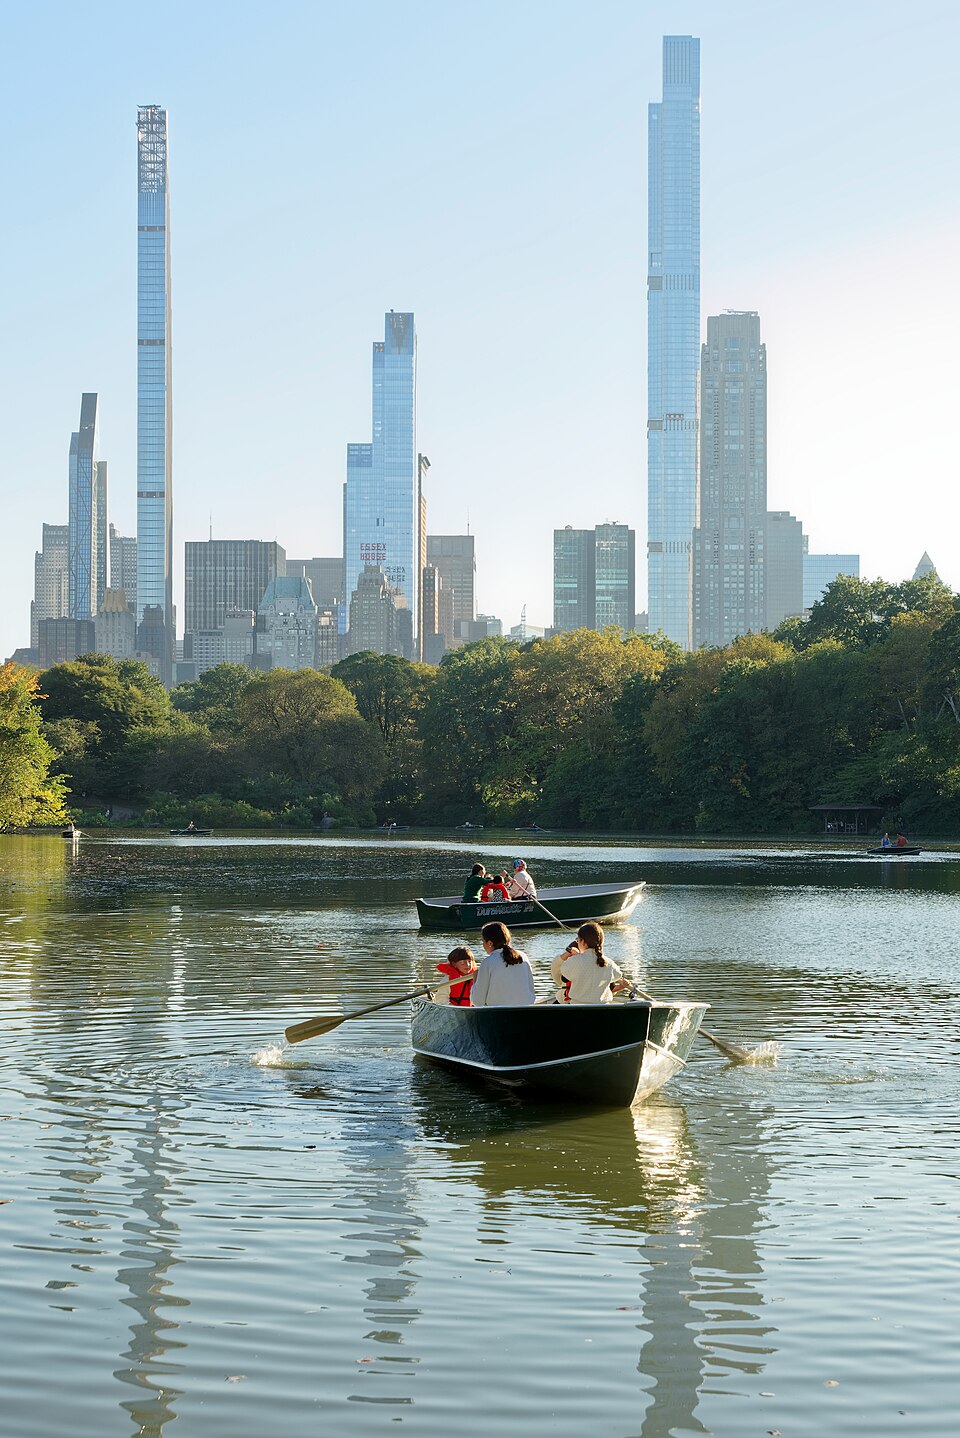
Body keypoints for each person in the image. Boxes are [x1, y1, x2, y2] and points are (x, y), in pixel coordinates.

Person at [551, 922, 630, 1005]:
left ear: (583, 941)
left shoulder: (574, 961)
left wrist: (569, 954)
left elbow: (559, 970)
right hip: (603, 1009)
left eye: (578, 940)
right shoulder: (609, 963)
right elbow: (618, 975)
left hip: (577, 1008)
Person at [471, 922, 536, 1007]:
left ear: (490, 943)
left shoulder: (488, 962)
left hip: (498, 1013)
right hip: (524, 1010)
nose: (483, 945)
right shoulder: (523, 956)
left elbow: (478, 1002)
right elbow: (531, 992)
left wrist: (475, 980)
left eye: (483, 941)